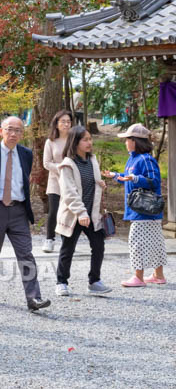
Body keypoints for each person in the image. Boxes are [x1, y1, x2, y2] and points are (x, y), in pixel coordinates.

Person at [0, 116, 51, 311]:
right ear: (1, 131)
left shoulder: (26, 154)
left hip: (18, 210)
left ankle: (34, 298)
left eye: (18, 130)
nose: (14, 134)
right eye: (10, 129)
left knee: (26, 254)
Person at [105, 124, 167, 287]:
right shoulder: (132, 158)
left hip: (144, 210)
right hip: (141, 210)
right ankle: (158, 275)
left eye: (127, 139)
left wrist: (134, 178)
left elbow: (154, 181)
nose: (125, 142)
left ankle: (138, 277)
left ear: (136, 141)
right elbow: (129, 177)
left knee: (136, 241)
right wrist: (115, 176)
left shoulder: (146, 159)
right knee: (155, 242)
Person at [54, 125, 112, 297]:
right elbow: (69, 191)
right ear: (75, 142)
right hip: (74, 215)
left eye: (90, 139)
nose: (89, 142)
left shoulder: (92, 160)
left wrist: (100, 183)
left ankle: (94, 281)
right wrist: (81, 213)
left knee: (99, 246)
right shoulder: (67, 164)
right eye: (85, 139)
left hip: (92, 214)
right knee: (67, 249)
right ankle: (61, 282)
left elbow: (91, 182)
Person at [41, 110, 73, 254]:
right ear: (57, 123)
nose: (66, 124)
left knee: (70, 211)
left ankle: (67, 240)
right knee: (53, 211)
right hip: (55, 180)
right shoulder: (51, 141)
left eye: (68, 121)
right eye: (63, 121)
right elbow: (46, 163)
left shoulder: (75, 139)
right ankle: (50, 239)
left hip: (72, 181)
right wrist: (61, 169)